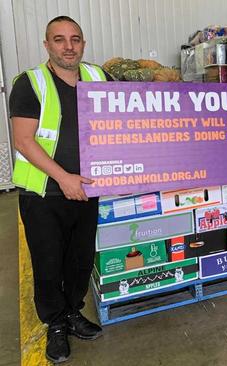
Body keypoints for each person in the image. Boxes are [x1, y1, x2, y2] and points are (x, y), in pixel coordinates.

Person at [9, 16, 110, 363]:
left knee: (80, 260)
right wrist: (64, 177)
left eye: (75, 39)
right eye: (59, 39)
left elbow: (129, 117)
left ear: (83, 43)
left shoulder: (99, 78)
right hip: (44, 194)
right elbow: (23, 140)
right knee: (49, 262)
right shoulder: (30, 83)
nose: (69, 46)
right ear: (47, 45)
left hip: (87, 190)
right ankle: (54, 323)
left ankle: (72, 313)